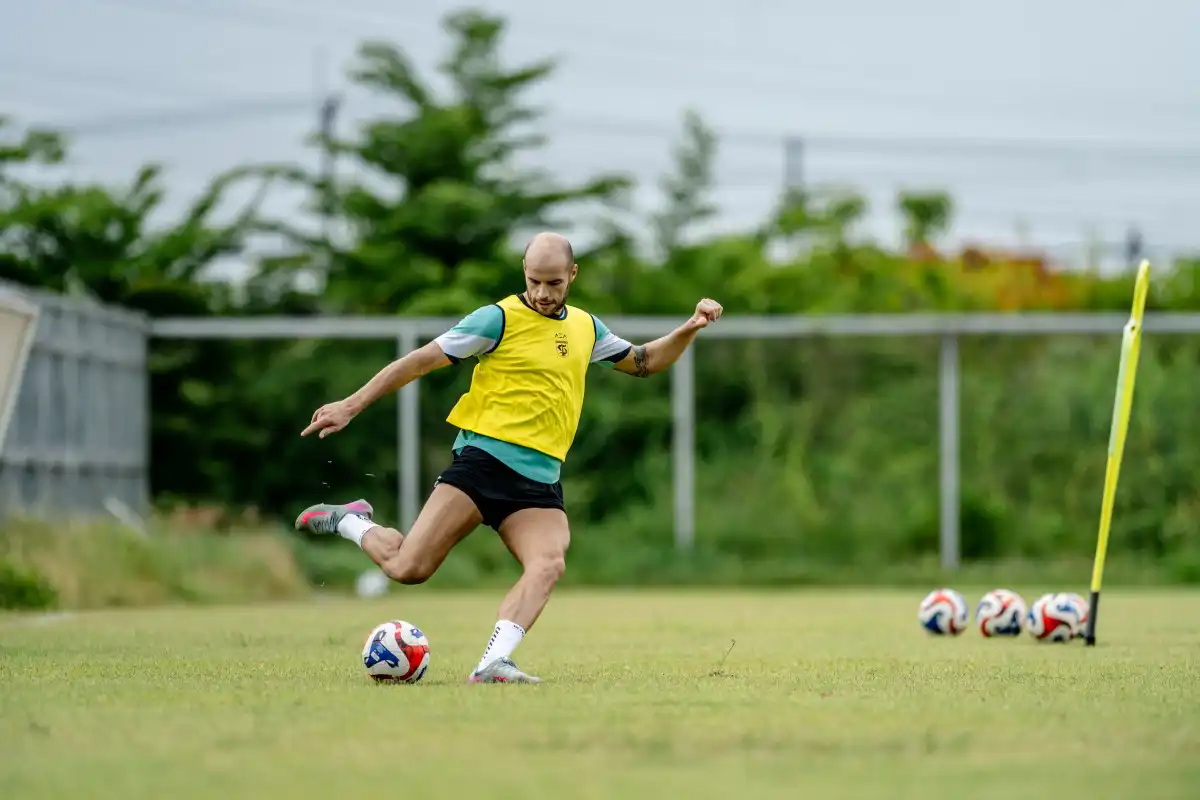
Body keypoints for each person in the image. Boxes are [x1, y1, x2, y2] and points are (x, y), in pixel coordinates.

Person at [294, 232, 722, 684]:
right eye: (534, 281)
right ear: (524, 272)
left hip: (539, 481)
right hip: (481, 463)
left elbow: (645, 361)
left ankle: (492, 663)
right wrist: (351, 405)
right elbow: (418, 362)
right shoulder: (496, 320)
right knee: (408, 569)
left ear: (573, 275)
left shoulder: (585, 328)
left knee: (549, 564)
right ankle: (350, 520)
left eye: (554, 283)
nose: (542, 293)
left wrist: (690, 326)